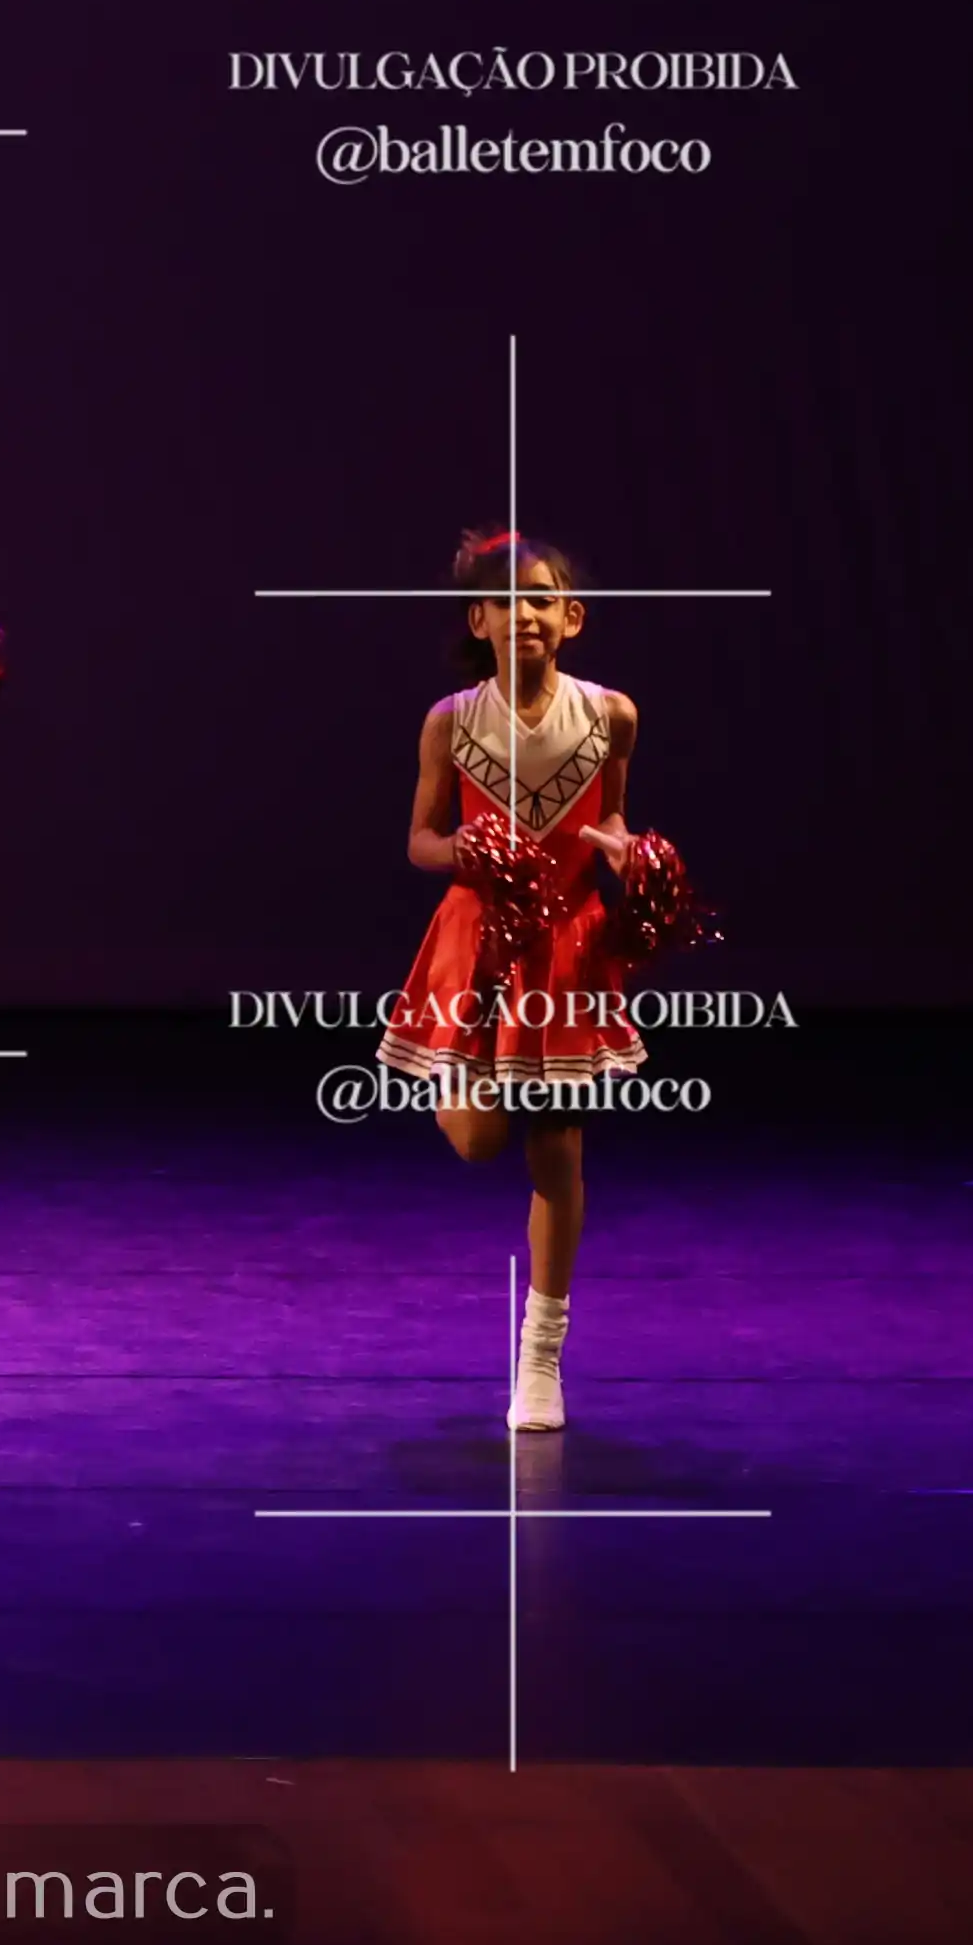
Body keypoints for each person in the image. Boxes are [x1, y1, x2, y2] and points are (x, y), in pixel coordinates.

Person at [370, 531, 653, 1434]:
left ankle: (541, 1357)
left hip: (566, 945)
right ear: (478, 619)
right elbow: (419, 838)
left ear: (573, 617)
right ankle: (456, 1079)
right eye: (506, 599)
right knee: (478, 1140)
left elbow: (612, 816)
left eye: (542, 598)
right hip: (479, 940)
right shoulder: (452, 721)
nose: (524, 613)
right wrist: (459, 849)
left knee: (556, 1150)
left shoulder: (611, 715)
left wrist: (628, 854)